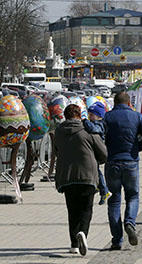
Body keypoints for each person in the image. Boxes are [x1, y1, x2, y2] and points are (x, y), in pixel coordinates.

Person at [102, 92, 142, 250]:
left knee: (114, 200)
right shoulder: (137, 117)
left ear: (114, 102)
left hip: (112, 162)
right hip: (131, 162)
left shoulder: (108, 117)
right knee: (133, 196)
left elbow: (99, 135)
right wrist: (137, 148)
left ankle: (117, 240)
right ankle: (130, 222)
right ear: (128, 103)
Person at [55, 104, 108, 256]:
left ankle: (74, 244)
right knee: (86, 209)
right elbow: (103, 153)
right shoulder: (88, 129)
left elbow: (57, 150)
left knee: (72, 210)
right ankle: (83, 233)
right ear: (79, 115)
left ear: (65, 116)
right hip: (87, 176)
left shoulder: (59, 131)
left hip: (67, 176)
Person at [82, 101, 112, 205]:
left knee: (97, 171)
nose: (90, 117)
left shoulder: (99, 125)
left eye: (92, 115)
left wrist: (85, 121)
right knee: (95, 170)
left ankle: (104, 190)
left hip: (97, 151)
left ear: (99, 116)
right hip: (93, 150)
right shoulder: (96, 122)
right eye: (89, 114)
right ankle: (99, 188)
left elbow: (92, 129)